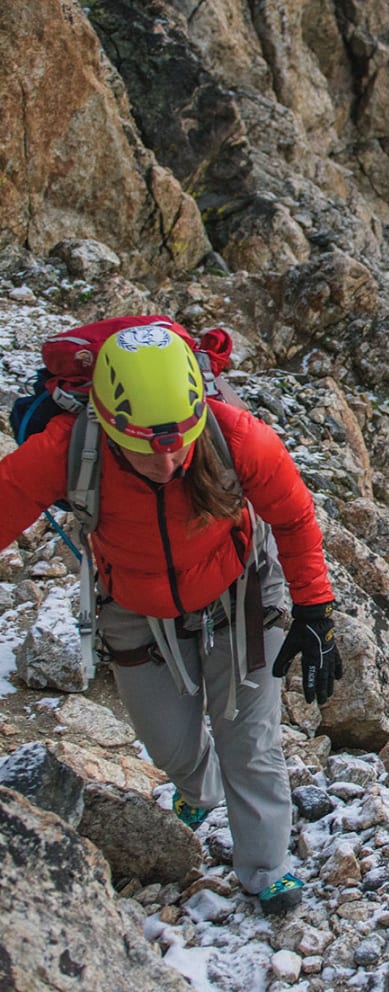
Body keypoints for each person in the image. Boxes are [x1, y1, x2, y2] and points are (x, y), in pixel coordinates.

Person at [0, 323, 344, 914]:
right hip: (135, 607)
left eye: (177, 443)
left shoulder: (236, 436)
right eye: (146, 446)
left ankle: (267, 869)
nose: (165, 461)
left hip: (238, 597)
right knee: (171, 745)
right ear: (108, 427)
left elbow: (292, 515)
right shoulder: (68, 449)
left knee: (250, 740)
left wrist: (315, 607)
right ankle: (196, 787)